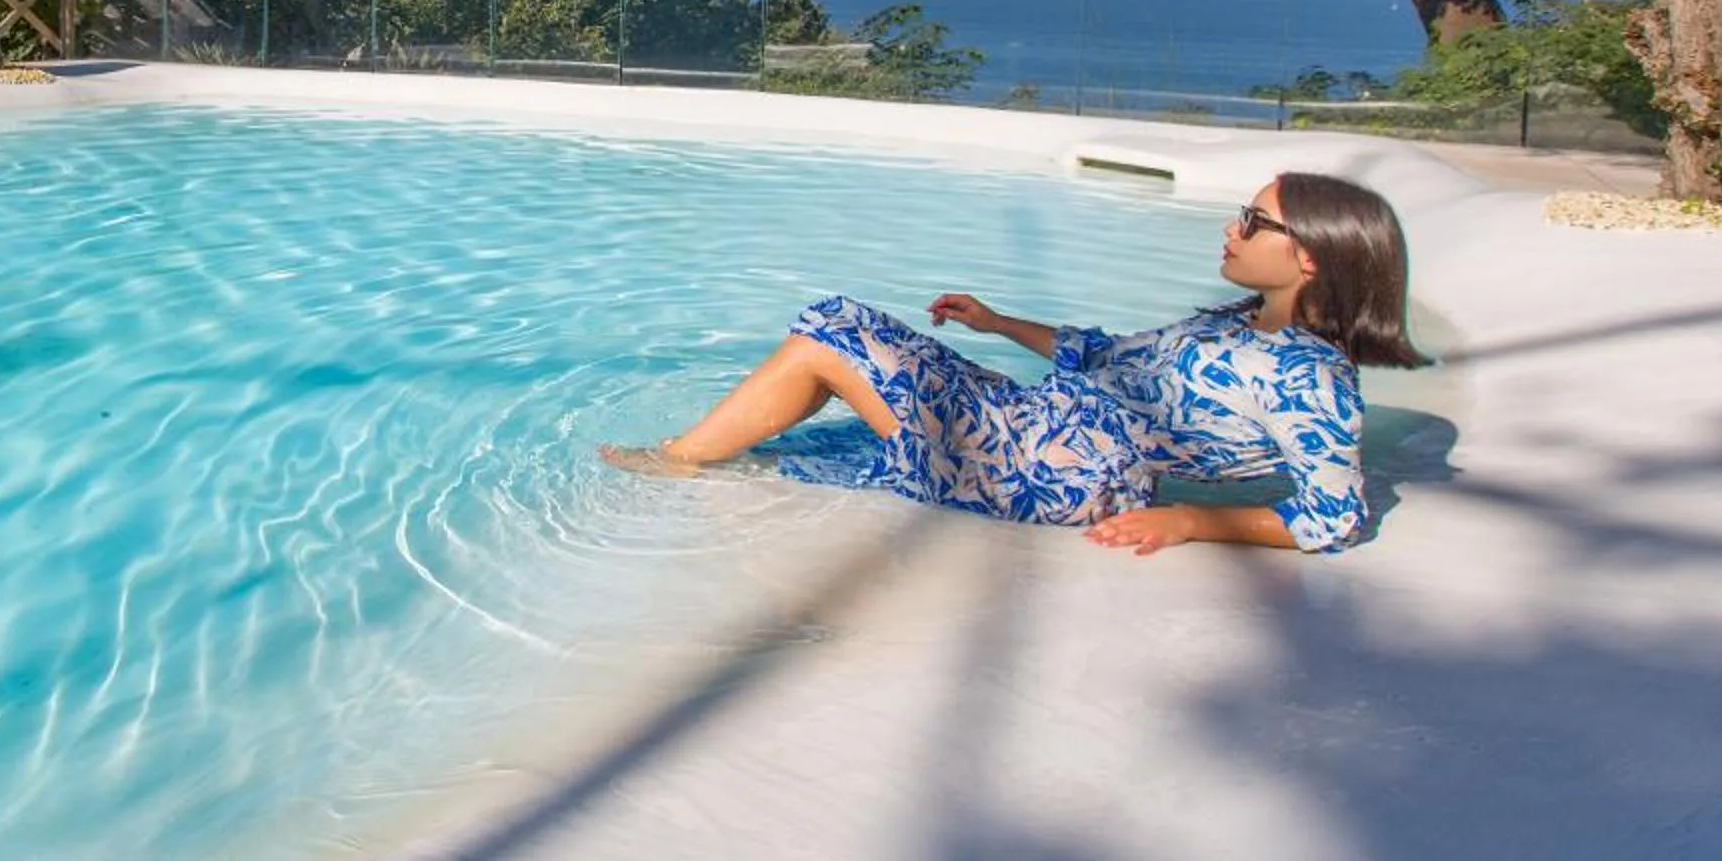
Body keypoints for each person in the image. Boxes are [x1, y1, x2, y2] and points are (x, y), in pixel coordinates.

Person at [601, 172, 1427, 555]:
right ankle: (692, 459)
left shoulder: (1312, 379)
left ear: (1312, 258)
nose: (1232, 229)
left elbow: (1333, 518)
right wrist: (996, 323)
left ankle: (671, 462)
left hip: (1053, 466)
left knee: (829, 330)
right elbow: (1105, 355)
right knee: (800, 435)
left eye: (1254, 221)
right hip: (1027, 418)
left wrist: (1187, 520)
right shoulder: (1237, 322)